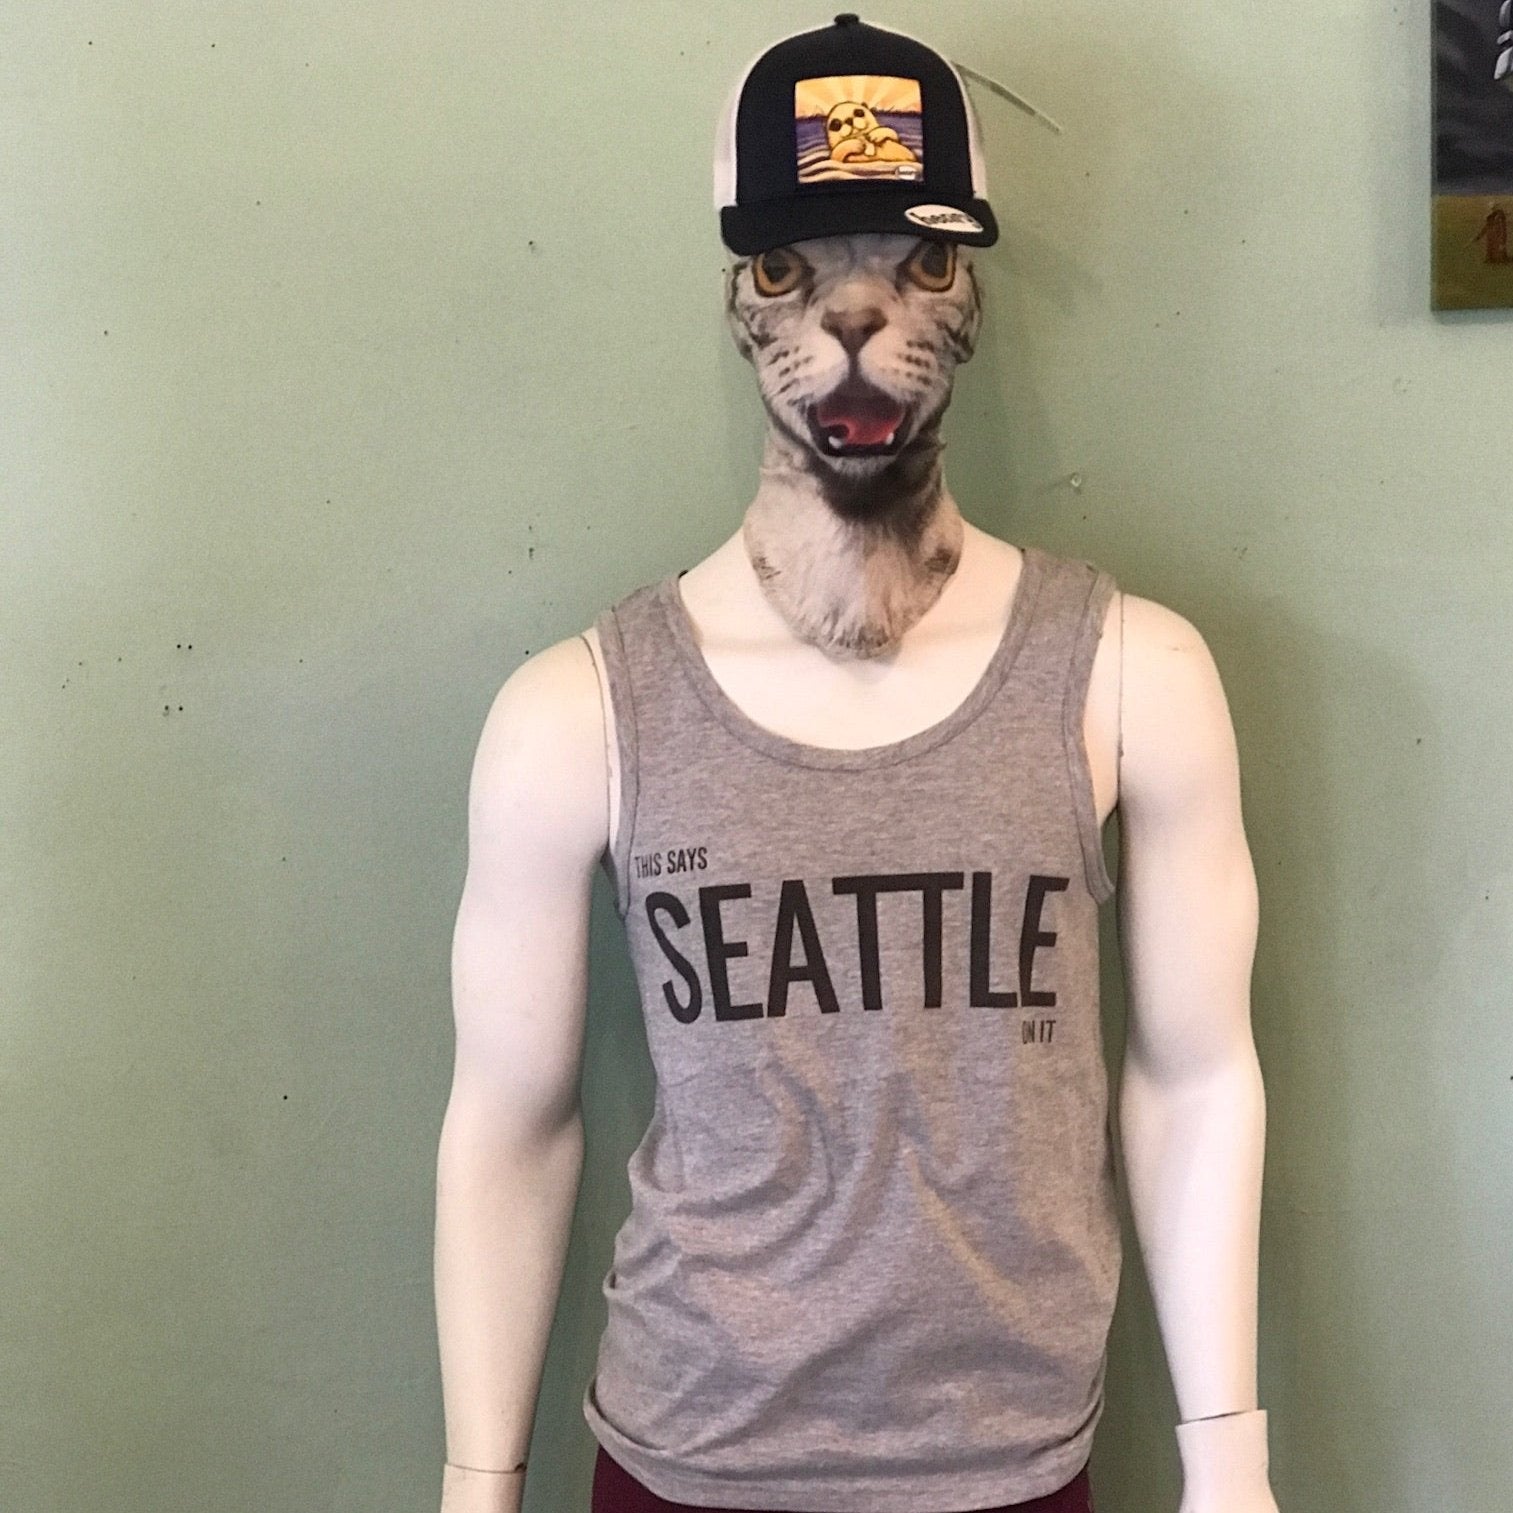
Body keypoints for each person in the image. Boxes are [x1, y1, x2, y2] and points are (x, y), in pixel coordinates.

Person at [435, 16, 1278, 1513]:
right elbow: (512, 1119)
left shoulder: (1130, 674)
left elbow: (1196, 1071)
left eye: (922, 262)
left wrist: (1230, 1464)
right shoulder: (578, 712)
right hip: (687, 1453)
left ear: (976, 294)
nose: (853, 311)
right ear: (734, 296)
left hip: (1012, 1459)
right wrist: (473, 1483)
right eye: (785, 268)